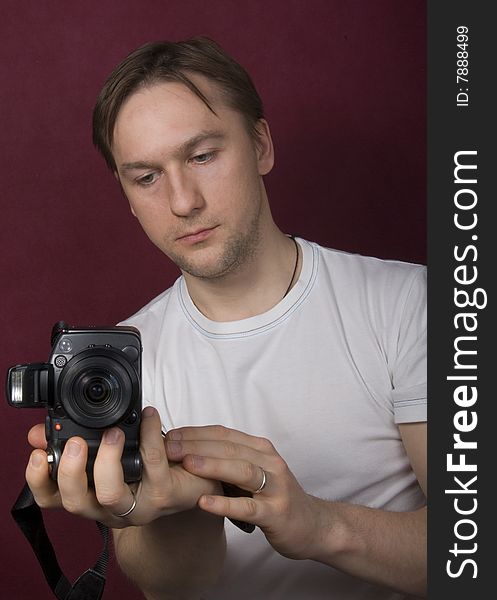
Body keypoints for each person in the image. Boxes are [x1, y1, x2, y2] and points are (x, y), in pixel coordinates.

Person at [26, 38, 427, 599]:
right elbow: (173, 587)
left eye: (202, 156)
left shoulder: (412, 305)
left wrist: (316, 526)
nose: (183, 201)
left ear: (261, 145)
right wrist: (177, 508)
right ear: (126, 194)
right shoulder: (121, 359)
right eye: (146, 177)